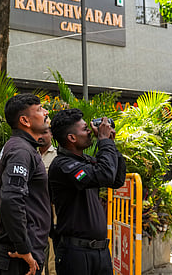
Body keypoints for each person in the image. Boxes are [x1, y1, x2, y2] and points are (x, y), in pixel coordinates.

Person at [48, 109, 126, 275]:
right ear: (72, 138)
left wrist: (110, 142)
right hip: (75, 253)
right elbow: (105, 174)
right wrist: (103, 141)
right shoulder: (63, 165)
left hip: (100, 252)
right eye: (84, 129)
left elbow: (116, 179)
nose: (90, 131)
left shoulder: (85, 161)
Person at [0, 93, 51, 275]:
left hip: (24, 252)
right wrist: (24, 248)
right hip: (17, 258)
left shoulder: (25, 148)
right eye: (40, 110)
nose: (46, 113)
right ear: (25, 120)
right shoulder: (20, 151)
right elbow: (11, 199)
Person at [37, 126, 57, 275]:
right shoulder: (31, 154)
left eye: (44, 133)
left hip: (54, 206)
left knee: (54, 243)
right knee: (37, 242)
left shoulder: (57, 156)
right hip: (36, 205)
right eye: (39, 133)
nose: (41, 136)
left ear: (51, 134)